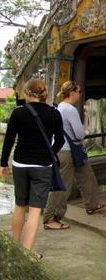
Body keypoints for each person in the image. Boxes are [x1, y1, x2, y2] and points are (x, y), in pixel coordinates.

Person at [0, 78, 64, 257]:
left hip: (20, 164)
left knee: (20, 205)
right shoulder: (54, 114)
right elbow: (59, 140)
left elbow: (10, 140)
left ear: (27, 93)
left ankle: (15, 246)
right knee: (35, 210)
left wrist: (3, 163)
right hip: (42, 166)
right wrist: (48, 152)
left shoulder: (18, 113)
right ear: (44, 94)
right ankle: (26, 253)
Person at [43, 80, 104, 229]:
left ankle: (92, 204)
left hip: (65, 150)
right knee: (63, 185)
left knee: (86, 175)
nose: (80, 94)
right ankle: (51, 218)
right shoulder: (70, 110)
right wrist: (86, 128)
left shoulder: (58, 107)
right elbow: (79, 133)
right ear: (72, 93)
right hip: (67, 151)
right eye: (79, 91)